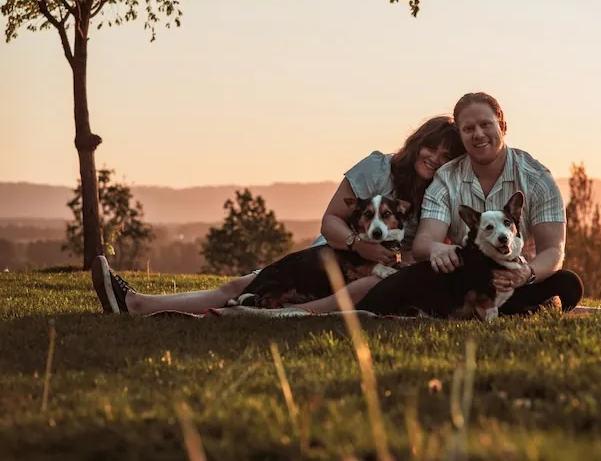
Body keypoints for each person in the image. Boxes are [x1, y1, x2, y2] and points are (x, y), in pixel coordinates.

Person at [91, 115, 465, 315]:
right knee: (242, 284)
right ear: (419, 143)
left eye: (446, 155)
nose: (434, 157)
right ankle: (138, 303)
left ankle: (281, 315)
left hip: (372, 278)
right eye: (431, 147)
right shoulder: (377, 167)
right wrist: (357, 244)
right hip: (333, 255)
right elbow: (331, 220)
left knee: (260, 294)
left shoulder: (438, 194)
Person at [412, 92, 585, 315]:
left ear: (502, 126)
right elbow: (423, 243)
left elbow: (553, 250)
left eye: (486, 124)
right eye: (468, 129)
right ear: (460, 134)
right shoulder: (446, 179)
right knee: (420, 274)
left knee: (568, 283)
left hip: (517, 280)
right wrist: (436, 248)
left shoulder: (537, 178)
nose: (478, 134)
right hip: (466, 280)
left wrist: (526, 273)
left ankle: (520, 306)